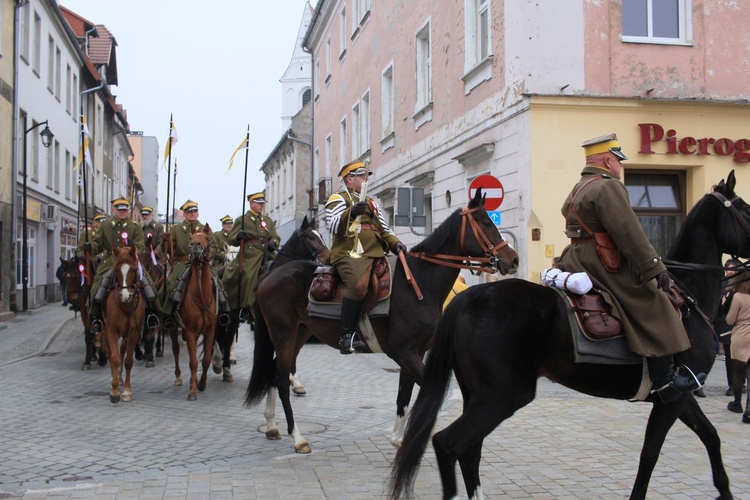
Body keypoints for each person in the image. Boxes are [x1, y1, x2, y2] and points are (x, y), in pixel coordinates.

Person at [556, 133, 705, 403]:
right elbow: (629, 233)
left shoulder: (579, 186)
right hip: (602, 261)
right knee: (654, 300)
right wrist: (655, 269)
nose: (620, 167)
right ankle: (664, 380)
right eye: (618, 161)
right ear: (607, 160)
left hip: (576, 257)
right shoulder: (607, 186)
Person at [325, 160, 407, 354]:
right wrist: (351, 213)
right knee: (358, 283)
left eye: (365, 175)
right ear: (349, 179)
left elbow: (383, 228)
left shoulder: (371, 202)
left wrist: (395, 243)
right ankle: (347, 335)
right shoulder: (338, 198)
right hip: (348, 252)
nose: (365, 179)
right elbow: (333, 226)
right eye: (362, 176)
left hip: (376, 250)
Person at [87, 197, 160, 345]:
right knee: (97, 286)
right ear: (114, 210)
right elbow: (97, 243)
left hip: (131, 262)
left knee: (149, 284)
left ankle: (152, 314)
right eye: (119, 209)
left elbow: (139, 246)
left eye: (124, 209)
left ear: (128, 211)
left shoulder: (134, 227)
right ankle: (96, 319)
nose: (122, 212)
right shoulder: (105, 226)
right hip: (110, 262)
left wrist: (129, 253)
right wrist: (91, 246)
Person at [161, 200, 230, 324]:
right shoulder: (176, 229)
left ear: (198, 213)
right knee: (171, 283)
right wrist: (165, 242)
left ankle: (223, 313)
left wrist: (207, 256)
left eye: (194, 211)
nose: (192, 214)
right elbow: (169, 251)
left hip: (203, 263)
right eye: (189, 212)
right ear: (184, 214)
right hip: (183, 263)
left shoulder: (205, 229)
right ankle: (167, 315)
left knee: (217, 282)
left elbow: (213, 246)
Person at [222, 192, 281, 322]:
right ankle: (245, 307)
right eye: (259, 203)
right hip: (250, 255)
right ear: (251, 203)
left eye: (262, 203)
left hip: (267, 253)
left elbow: (276, 237)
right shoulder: (242, 220)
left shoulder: (267, 220)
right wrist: (238, 236)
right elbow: (231, 239)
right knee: (248, 275)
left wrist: (274, 242)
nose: (261, 206)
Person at [725, 268, 750, 422]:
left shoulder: (738, 297)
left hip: (741, 333)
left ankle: (737, 402)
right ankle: (749, 408)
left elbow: (730, 319)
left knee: (738, 371)